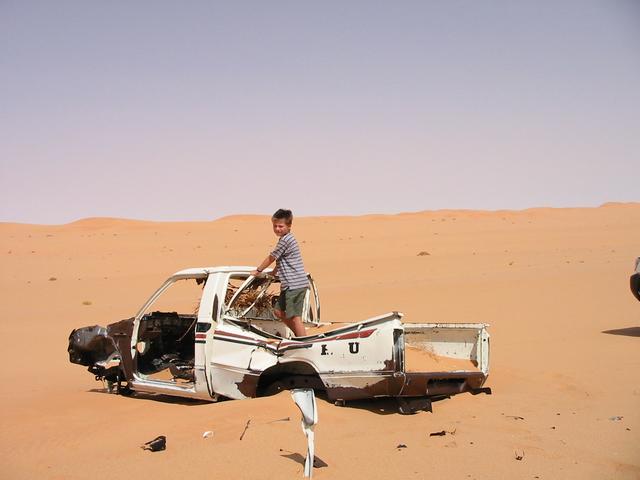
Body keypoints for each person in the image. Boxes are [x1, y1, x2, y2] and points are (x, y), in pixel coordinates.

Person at [251, 209, 308, 337]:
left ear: (289, 226)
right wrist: (273, 272)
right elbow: (281, 259)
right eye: (275, 226)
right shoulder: (284, 239)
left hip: (295, 284)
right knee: (278, 311)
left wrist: (258, 270)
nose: (277, 229)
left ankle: (303, 342)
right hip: (288, 285)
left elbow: (272, 257)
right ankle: (298, 335)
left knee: (294, 317)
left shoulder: (286, 240)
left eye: (281, 226)